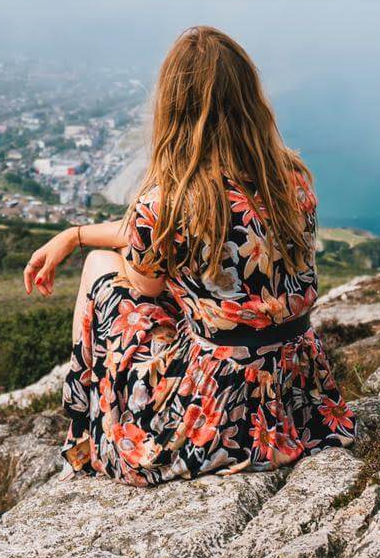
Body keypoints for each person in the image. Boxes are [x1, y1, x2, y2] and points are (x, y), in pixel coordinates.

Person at [23, 26, 355, 485]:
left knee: (101, 266)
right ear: (248, 98)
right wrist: (77, 233)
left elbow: (146, 285)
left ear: (174, 106)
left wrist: (85, 244)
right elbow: (166, 235)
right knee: (125, 262)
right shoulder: (293, 178)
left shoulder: (169, 201)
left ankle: (89, 430)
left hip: (217, 410)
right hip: (300, 392)